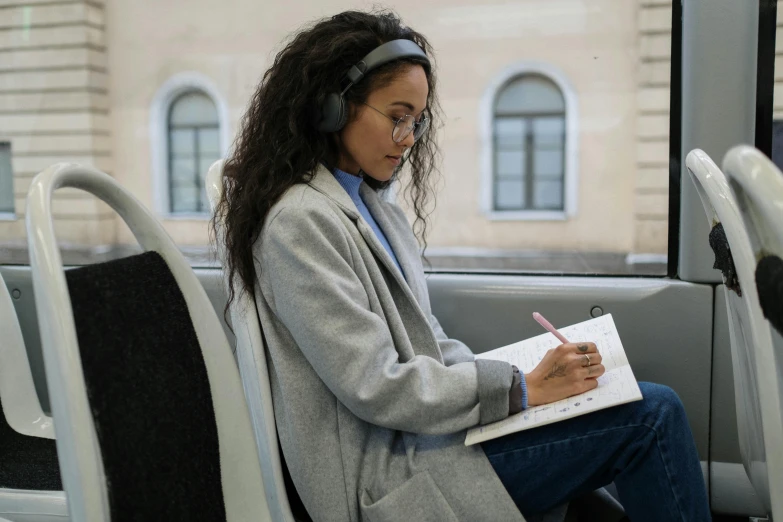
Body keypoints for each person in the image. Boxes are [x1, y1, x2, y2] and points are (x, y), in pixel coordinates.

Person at [211, 9, 711, 522]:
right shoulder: (298, 222)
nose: (408, 139)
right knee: (652, 416)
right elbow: (376, 385)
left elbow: (430, 342)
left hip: (427, 440)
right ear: (332, 108)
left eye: (417, 120)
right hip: (387, 475)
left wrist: (526, 376)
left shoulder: (376, 210)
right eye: (397, 116)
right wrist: (519, 390)